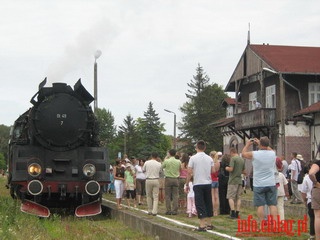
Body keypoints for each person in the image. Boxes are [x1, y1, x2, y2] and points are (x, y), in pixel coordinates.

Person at [241, 136, 278, 224]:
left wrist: (247, 145)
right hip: (271, 182)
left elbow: (243, 154)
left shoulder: (255, 154)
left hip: (259, 183)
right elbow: (270, 149)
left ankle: (262, 223)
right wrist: (261, 143)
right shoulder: (272, 153)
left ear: (260, 144)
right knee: (272, 205)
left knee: (260, 205)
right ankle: (276, 225)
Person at [186, 140, 215, 232]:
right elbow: (213, 170)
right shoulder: (209, 158)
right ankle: (209, 223)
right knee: (208, 202)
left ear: (196, 147)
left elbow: (189, 172)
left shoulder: (193, 158)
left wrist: (187, 183)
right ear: (205, 148)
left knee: (200, 203)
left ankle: (202, 225)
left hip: (198, 183)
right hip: (207, 183)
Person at [225, 148, 245, 219]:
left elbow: (231, 169)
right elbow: (244, 171)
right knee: (238, 197)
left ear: (232, 152)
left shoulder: (233, 159)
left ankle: (232, 212)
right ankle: (237, 212)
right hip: (239, 180)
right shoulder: (242, 159)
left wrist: (226, 168)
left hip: (232, 180)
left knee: (230, 197)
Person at [162, 149, 181, 215]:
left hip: (168, 178)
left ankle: (168, 210)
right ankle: (175, 210)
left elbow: (162, 166)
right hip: (176, 178)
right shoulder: (178, 161)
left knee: (167, 195)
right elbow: (180, 169)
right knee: (175, 195)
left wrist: (166, 158)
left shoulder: (167, 161)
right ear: (175, 154)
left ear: (169, 153)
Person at [300, 163, 315, 240]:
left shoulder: (306, 178)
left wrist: (305, 201)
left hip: (310, 200)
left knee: (312, 218)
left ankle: (312, 235)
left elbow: (303, 192)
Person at [308, 160, 320, 240]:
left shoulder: (318, 163)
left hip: (318, 190)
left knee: (318, 216)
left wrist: (316, 182)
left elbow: (311, 173)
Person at [210, 151, 220, 216]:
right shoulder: (218, 163)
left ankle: (213, 211)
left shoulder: (211, 162)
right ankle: (216, 210)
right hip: (216, 179)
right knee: (217, 196)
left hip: (211, 179)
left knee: (212, 196)